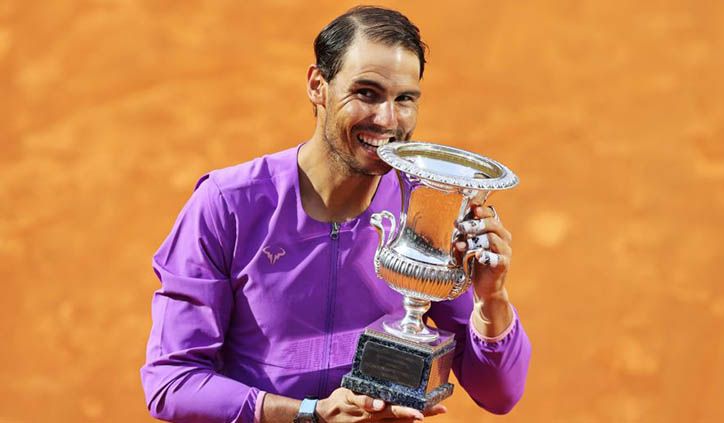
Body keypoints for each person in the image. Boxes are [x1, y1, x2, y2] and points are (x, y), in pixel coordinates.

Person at [141, 6, 530, 423]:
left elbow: (499, 394)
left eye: (404, 99)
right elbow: (173, 382)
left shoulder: (428, 209)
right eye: (366, 93)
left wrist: (492, 300)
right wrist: (308, 415)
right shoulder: (227, 204)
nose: (386, 120)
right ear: (317, 86)